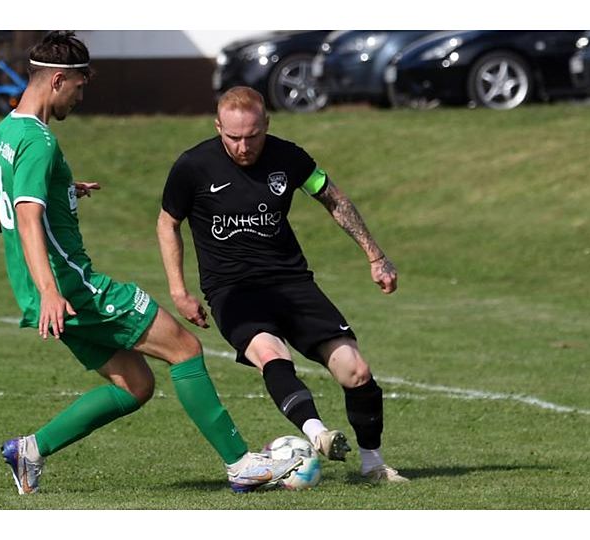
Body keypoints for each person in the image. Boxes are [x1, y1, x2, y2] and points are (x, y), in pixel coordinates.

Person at [0, 32, 301, 495]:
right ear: (56, 80)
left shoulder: (3, 134)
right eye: (79, 86)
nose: (82, 95)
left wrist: (62, 193)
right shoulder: (38, 141)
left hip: (38, 292)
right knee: (186, 349)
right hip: (71, 288)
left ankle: (29, 450)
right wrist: (53, 289)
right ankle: (241, 465)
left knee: (134, 384)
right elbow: (27, 218)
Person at [157, 85, 408, 483]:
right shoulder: (193, 166)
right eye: (233, 137)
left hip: (292, 282)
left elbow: (333, 198)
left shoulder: (288, 158)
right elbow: (168, 222)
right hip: (232, 290)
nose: (243, 147)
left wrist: (375, 256)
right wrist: (178, 291)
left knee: (356, 371)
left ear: (266, 125)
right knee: (272, 355)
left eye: (253, 136)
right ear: (218, 126)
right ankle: (316, 433)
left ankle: (373, 464)